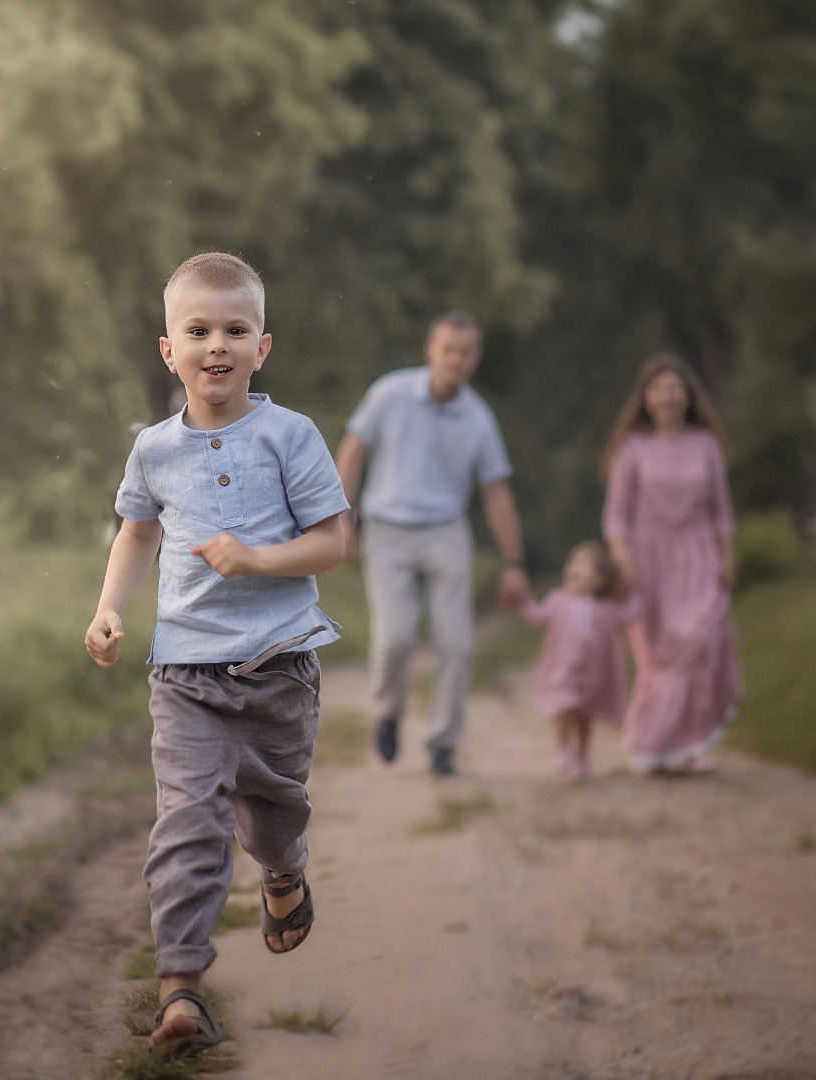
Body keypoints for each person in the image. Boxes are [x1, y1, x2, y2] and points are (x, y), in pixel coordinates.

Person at [85, 252, 349, 1055]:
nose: (217, 345)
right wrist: (107, 607)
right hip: (185, 675)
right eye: (197, 330)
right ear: (169, 350)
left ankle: (283, 873)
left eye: (236, 329)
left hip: (279, 667)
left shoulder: (289, 435)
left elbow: (335, 542)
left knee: (272, 819)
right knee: (187, 823)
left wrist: (260, 559)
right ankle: (182, 992)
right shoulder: (154, 450)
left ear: (262, 347)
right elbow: (136, 532)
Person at [335, 311, 530, 776]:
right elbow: (351, 451)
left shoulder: (478, 418)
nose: (456, 360)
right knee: (395, 637)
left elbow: (496, 492)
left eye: (465, 352)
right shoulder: (390, 393)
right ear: (431, 351)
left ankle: (443, 742)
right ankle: (387, 711)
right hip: (387, 530)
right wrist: (343, 520)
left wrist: (514, 562)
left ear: (475, 358)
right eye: (448, 350)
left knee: (456, 643)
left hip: (446, 531)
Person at [600, 352, 742, 774]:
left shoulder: (707, 446)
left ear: (688, 395)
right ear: (645, 397)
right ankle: (657, 750)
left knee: (697, 642)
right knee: (657, 658)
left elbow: (721, 510)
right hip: (647, 563)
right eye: (658, 389)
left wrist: (727, 558)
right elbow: (616, 518)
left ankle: (695, 745)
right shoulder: (632, 449)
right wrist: (623, 563)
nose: (667, 396)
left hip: (699, 556)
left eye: (674, 388)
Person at [519, 541, 643, 780]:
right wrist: (522, 600)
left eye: (583, 564)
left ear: (599, 581)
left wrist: (635, 590)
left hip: (591, 679)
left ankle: (582, 758)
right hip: (562, 672)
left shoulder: (606, 609)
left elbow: (632, 614)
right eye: (572, 562)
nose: (573, 567)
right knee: (563, 707)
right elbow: (537, 617)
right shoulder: (557, 601)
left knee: (585, 718)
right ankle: (563, 749)